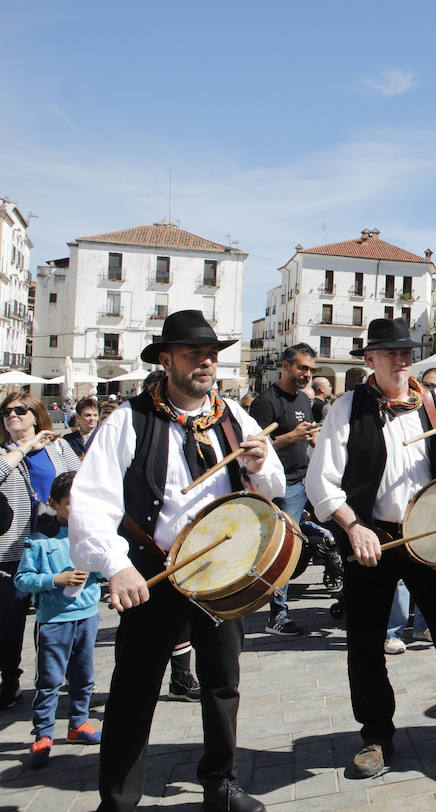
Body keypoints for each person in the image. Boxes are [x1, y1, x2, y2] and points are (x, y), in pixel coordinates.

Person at [69, 309, 284, 811]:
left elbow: (273, 486)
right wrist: (115, 564)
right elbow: (93, 501)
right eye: (195, 354)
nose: (207, 363)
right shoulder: (130, 418)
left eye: (212, 354)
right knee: (134, 689)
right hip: (153, 570)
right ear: (166, 361)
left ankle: (221, 782)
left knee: (222, 682)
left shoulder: (233, 416)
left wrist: (258, 462)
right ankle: (119, 800)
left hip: (224, 573)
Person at [305, 317, 436, 779]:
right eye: (392, 354)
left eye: (407, 354)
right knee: (365, 642)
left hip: (430, 536)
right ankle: (376, 737)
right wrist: (353, 526)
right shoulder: (346, 407)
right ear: (371, 360)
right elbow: (319, 481)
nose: (403, 361)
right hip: (372, 538)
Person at [0, 392, 84, 711]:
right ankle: (9, 676)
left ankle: (54, 677)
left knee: (57, 614)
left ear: (36, 415)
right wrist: (24, 447)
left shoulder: (59, 446)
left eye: (21, 410)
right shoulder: (5, 451)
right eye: (7, 412)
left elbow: (79, 484)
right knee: (9, 618)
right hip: (12, 547)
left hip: (55, 543)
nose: (13, 415)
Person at [15, 470, 102, 768]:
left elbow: (104, 568)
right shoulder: (39, 539)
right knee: (50, 680)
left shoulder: (90, 534)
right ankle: (43, 733)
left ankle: (78, 723)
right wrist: (55, 578)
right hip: (53, 620)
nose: (76, 509)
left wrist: (99, 570)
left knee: (84, 676)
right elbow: (23, 579)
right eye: (69, 503)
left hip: (88, 615)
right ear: (53, 503)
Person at [249, 342, 318, 636]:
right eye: (302, 367)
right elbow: (255, 449)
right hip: (283, 486)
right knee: (284, 552)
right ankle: (277, 615)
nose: (306, 374)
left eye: (311, 370)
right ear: (286, 365)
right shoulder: (265, 402)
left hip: (307, 480)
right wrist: (289, 437)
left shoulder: (304, 400)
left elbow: (307, 434)